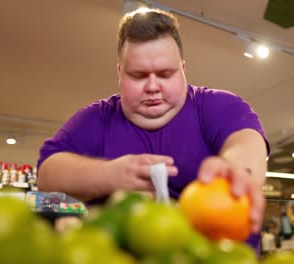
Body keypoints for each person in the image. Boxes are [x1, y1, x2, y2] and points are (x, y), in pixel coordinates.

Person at [37, 8, 269, 251]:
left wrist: (237, 169)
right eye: (138, 76)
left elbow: (247, 141)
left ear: (183, 69)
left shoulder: (218, 105)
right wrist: (108, 175)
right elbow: (47, 174)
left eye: (165, 74)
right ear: (120, 73)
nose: (152, 87)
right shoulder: (97, 118)